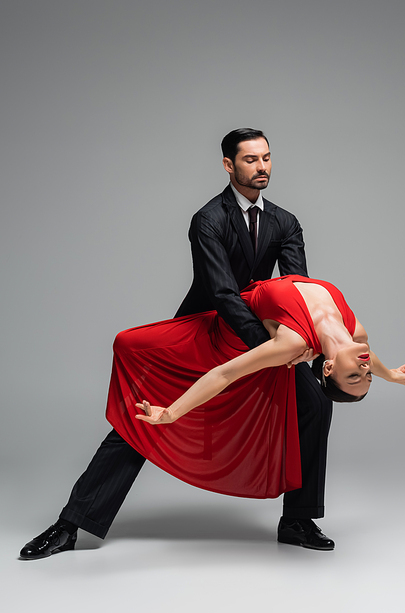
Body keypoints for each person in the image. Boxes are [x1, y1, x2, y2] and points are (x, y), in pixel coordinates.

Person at [20, 128, 334, 559]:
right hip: (206, 329)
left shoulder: (285, 221)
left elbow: (299, 288)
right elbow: (222, 293)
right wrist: (268, 350)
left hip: (263, 337)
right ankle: (70, 525)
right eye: (250, 160)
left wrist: (293, 347)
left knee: (315, 402)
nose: (261, 167)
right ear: (228, 165)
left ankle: (298, 519)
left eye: (266, 158)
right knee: (143, 418)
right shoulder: (208, 219)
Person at [106, 274, 405, 514]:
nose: (365, 368)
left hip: (227, 334)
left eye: (354, 375)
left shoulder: (294, 345)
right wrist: (391, 375)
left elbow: (224, 373)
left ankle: (299, 519)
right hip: (241, 294)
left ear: (327, 369)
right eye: (366, 376)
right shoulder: (357, 334)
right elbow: (368, 356)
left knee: (129, 343)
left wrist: (172, 413)